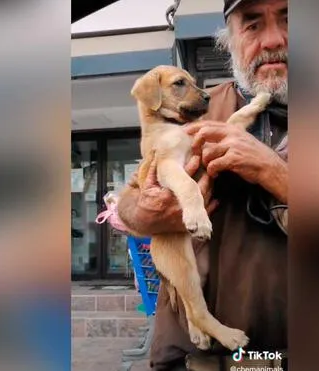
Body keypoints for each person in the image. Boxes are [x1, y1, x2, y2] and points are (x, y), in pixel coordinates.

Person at [117, 1, 289, 370]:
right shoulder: (194, 110)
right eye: (253, 24)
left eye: (290, 18)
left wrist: (278, 175)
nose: (273, 39)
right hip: (201, 361)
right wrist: (144, 212)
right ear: (230, 40)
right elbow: (129, 201)